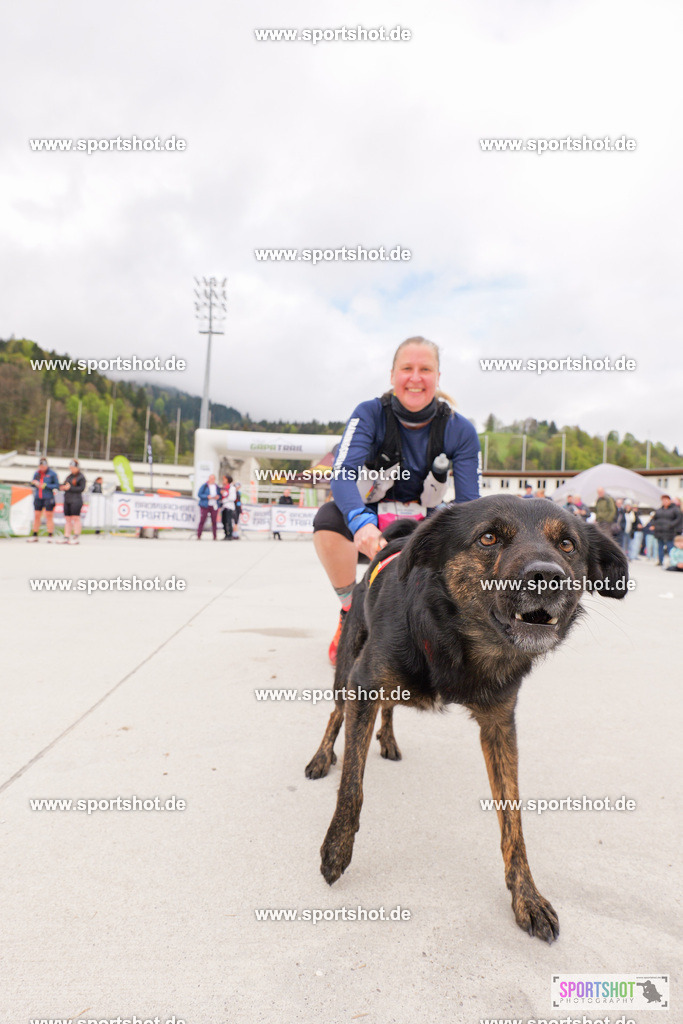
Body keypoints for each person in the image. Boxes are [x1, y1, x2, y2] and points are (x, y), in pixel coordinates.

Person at [313, 336, 480, 664]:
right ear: (392, 375)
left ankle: (441, 623)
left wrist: (442, 538)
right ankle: (350, 611)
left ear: (437, 377)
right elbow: (343, 472)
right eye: (407, 368)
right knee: (329, 520)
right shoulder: (369, 414)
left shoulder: (460, 430)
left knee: (471, 539)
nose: (415, 377)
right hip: (375, 518)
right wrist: (360, 522)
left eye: (425, 369)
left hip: (425, 518)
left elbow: (469, 504)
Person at [27, 456, 60, 542]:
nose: (41, 468)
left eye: (43, 466)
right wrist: (34, 483)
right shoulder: (37, 473)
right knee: (37, 515)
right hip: (38, 497)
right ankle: (35, 534)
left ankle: (50, 535)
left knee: (48, 516)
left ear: (46, 465)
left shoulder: (52, 473)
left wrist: (45, 485)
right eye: (40, 466)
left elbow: (57, 486)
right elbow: (32, 483)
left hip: (48, 497)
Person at [59, 459, 86, 544]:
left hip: (76, 499)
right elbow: (65, 485)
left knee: (76, 517)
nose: (71, 469)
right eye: (70, 468)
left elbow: (81, 489)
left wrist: (70, 488)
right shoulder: (69, 476)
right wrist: (62, 487)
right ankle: (66, 536)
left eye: (73, 468)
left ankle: (76, 536)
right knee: (67, 518)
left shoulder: (81, 477)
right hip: (67, 499)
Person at [651, 494, 680, 566]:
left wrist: (670, 525)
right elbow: (654, 519)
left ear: (669, 500)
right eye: (663, 500)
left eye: (666, 500)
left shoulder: (675, 509)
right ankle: (660, 561)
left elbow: (678, 519)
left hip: (669, 532)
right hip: (659, 532)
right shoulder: (659, 510)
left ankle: (672, 561)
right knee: (660, 547)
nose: (665, 502)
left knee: (670, 547)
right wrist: (655, 525)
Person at [197, 474, 220, 540]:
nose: (212, 480)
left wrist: (217, 497)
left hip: (214, 505)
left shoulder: (216, 487)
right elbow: (199, 494)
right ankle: (199, 535)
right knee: (202, 520)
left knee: (214, 521)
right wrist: (207, 496)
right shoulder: (204, 486)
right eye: (211, 478)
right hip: (205, 505)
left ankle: (215, 536)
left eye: (213, 478)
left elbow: (220, 495)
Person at [220, 474, 236, 540]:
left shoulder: (232, 488)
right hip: (224, 506)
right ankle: (226, 534)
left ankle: (230, 535)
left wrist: (224, 494)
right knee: (223, 521)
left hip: (229, 506)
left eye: (225, 479)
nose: (223, 481)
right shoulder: (223, 487)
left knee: (229, 521)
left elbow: (233, 498)